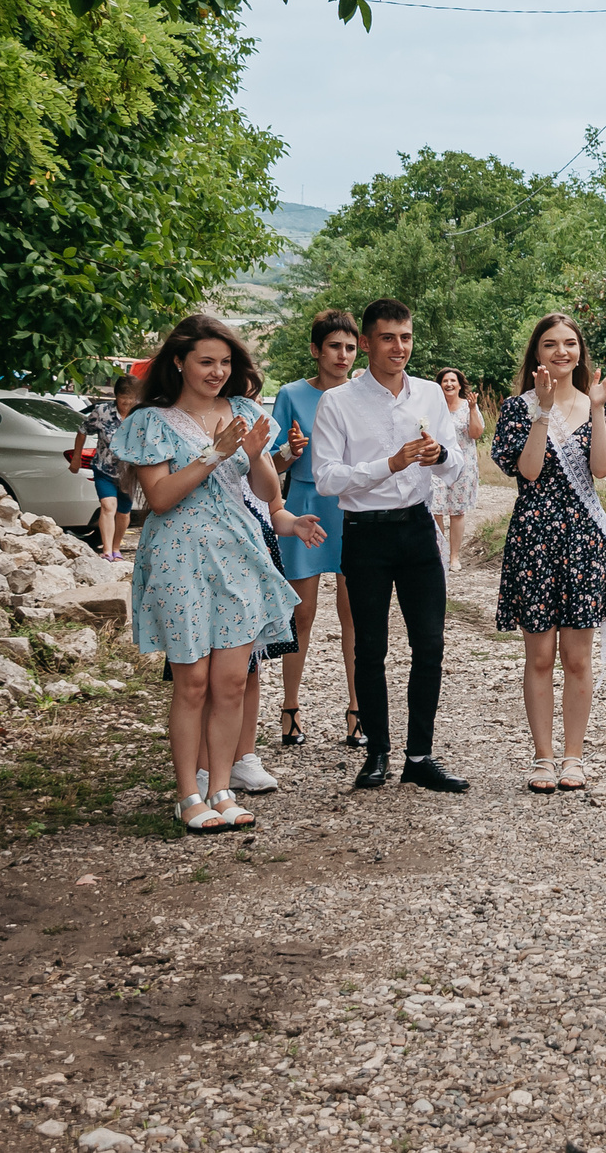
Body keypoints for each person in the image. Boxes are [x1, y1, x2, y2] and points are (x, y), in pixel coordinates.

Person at [110, 315, 321, 836]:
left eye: (225, 362)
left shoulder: (244, 410)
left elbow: (268, 490)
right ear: (179, 362)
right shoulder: (150, 421)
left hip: (240, 555)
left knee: (231, 680)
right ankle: (188, 795)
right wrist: (216, 452)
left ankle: (222, 788)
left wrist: (254, 455)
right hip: (178, 557)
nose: (217, 372)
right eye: (206, 361)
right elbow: (158, 498)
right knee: (193, 681)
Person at [307, 298, 471, 794]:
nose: (399, 348)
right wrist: (389, 464)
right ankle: (376, 750)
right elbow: (326, 478)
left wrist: (441, 455)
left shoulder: (427, 395)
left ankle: (419, 755)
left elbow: (456, 462)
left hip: (420, 528)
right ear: (368, 343)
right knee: (370, 647)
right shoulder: (338, 402)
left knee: (431, 644)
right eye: (387, 338)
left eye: (406, 337)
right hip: (366, 533)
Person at [492, 315, 606, 795]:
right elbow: (527, 472)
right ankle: (542, 757)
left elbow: (601, 467)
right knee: (539, 656)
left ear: (579, 351)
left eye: (569, 344)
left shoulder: (599, 405)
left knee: (577, 658)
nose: (561, 352)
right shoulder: (516, 408)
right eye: (550, 344)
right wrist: (544, 413)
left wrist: (595, 409)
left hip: (583, 540)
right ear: (536, 353)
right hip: (534, 538)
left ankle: (574, 756)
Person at [269, 311, 361, 748]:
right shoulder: (290, 395)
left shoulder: (363, 394)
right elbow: (269, 465)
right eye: (334, 347)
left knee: (354, 614)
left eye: (349, 347)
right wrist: (290, 449)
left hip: (352, 507)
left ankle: (357, 710)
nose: (342, 355)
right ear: (315, 351)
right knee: (301, 613)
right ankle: (290, 708)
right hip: (305, 505)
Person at [71, 374, 142, 561]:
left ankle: (117, 547)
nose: (127, 401)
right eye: (123, 397)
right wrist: (76, 458)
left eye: (131, 397)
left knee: (123, 512)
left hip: (129, 473)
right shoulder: (102, 411)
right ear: (116, 396)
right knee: (108, 506)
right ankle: (107, 551)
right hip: (104, 468)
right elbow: (82, 431)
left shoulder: (143, 414)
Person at [429, 366, 485, 569]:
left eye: (453, 381)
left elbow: (476, 434)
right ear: (440, 385)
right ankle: (440, 552)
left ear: (460, 385)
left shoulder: (468, 406)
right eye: (445, 381)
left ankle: (454, 556)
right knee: (435, 508)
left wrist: (472, 409)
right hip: (437, 465)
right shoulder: (434, 407)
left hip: (463, 466)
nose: (449, 384)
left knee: (456, 512)